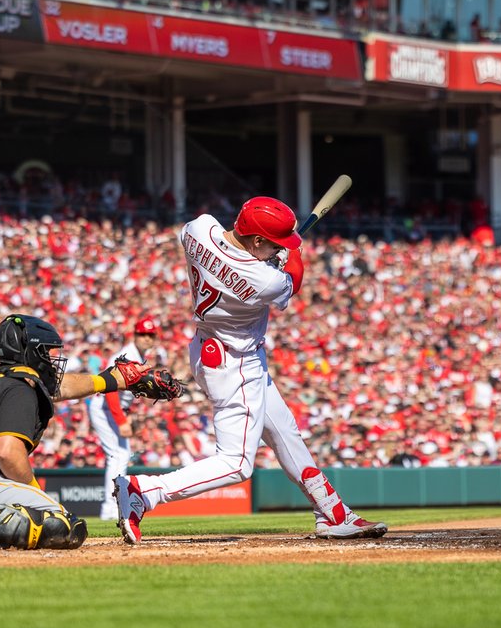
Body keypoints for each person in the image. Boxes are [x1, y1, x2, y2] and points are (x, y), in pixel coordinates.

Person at [112, 197, 388, 544]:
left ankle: (332, 512)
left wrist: (271, 257)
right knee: (237, 463)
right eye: (272, 243)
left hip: (209, 347)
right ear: (257, 240)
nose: (277, 249)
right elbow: (291, 282)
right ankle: (144, 491)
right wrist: (292, 256)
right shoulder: (264, 280)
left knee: (285, 433)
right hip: (235, 364)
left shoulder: (200, 228)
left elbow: (215, 244)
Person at [0, 314, 182, 551]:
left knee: (26, 524)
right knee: (63, 524)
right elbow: (7, 450)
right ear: (31, 352)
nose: (53, 360)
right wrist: (33, 492)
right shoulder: (20, 387)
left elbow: (63, 386)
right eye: (48, 352)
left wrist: (112, 380)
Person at [90, 314, 167, 520]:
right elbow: (111, 390)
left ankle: (114, 505)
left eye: (150, 334)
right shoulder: (126, 354)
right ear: (135, 335)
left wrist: (128, 414)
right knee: (118, 455)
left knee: (121, 455)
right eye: (143, 334)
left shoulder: (139, 355)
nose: (147, 338)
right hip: (105, 408)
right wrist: (121, 420)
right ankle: (109, 509)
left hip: (114, 410)